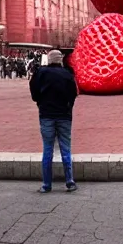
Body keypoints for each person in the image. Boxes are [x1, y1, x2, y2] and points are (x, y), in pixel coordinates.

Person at [29, 49, 78, 193]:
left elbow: (34, 92)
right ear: (60, 60)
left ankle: (46, 184)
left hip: (46, 115)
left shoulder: (41, 73)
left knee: (48, 149)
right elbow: (73, 94)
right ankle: (69, 181)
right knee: (65, 149)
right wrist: (68, 107)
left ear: (49, 60)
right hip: (64, 115)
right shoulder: (67, 74)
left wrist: (40, 102)